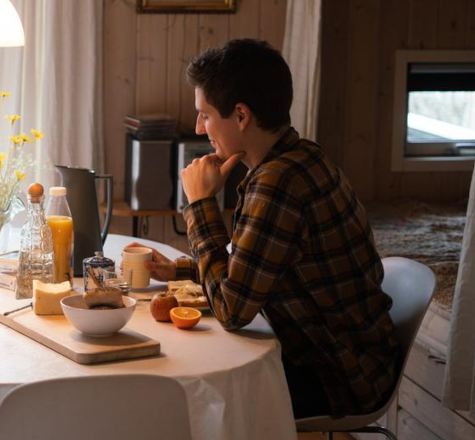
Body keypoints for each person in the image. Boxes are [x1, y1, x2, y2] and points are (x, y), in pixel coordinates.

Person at [132, 39, 399, 419]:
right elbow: (262, 267)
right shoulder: (301, 155)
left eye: (205, 115)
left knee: (178, 394)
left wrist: (201, 204)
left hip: (337, 375)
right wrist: (181, 271)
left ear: (240, 115)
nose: (198, 127)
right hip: (353, 357)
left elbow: (232, 309)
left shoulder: (278, 184)